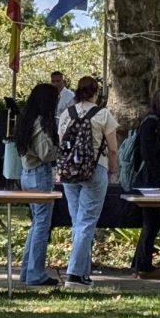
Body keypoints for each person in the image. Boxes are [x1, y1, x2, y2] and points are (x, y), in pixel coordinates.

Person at [58, 76, 119, 290]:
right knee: (87, 221)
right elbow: (112, 148)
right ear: (96, 92)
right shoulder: (103, 115)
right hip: (95, 169)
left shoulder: (66, 114)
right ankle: (74, 274)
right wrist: (112, 169)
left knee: (78, 221)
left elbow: (62, 143)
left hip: (69, 173)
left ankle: (83, 274)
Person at [130, 88, 160, 278]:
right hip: (149, 180)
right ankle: (143, 265)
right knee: (152, 220)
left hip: (158, 178)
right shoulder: (151, 123)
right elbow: (148, 153)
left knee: (153, 221)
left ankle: (140, 263)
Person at [17, 83, 61, 287]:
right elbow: (45, 154)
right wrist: (59, 150)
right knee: (42, 225)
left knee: (36, 225)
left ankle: (27, 270)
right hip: (39, 174)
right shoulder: (41, 123)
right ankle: (36, 273)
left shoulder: (25, 120)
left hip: (26, 174)